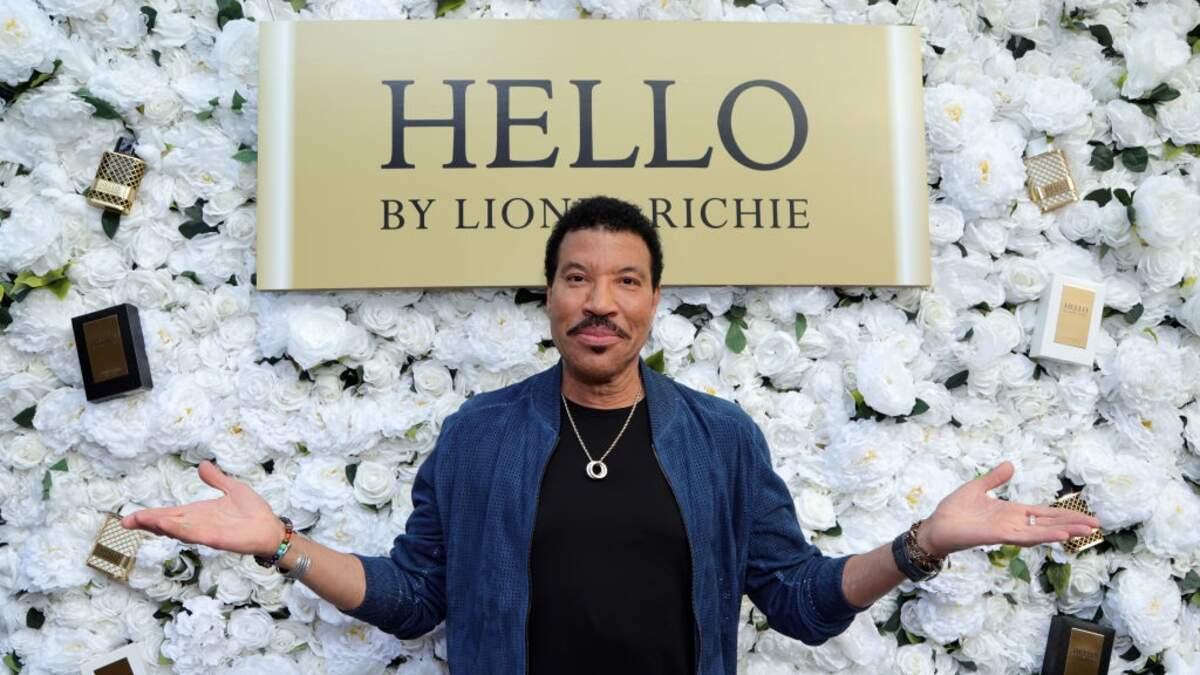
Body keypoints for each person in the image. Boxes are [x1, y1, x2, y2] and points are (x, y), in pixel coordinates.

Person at [120, 195, 1100, 674]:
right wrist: (281, 543)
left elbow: (800, 601)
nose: (600, 301)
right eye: (576, 278)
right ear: (549, 297)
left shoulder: (720, 439)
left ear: (654, 300)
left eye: (626, 280)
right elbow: (415, 597)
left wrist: (923, 542)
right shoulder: (478, 436)